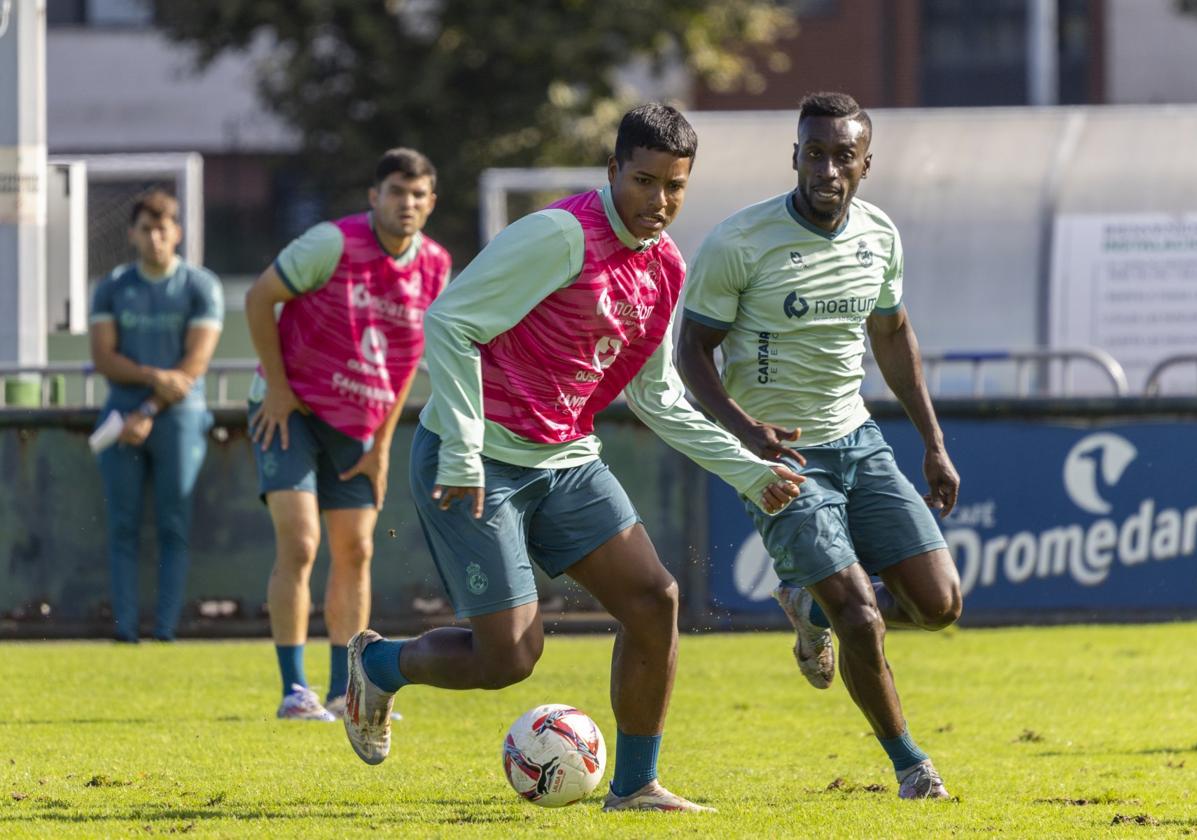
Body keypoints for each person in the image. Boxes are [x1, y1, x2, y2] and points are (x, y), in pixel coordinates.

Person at [340, 104, 802, 812]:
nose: (660, 202)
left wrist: (748, 467)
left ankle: (635, 786)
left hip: (566, 459)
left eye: (675, 187)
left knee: (655, 600)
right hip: (477, 458)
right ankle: (377, 664)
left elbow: (656, 398)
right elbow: (451, 322)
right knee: (511, 660)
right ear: (613, 170)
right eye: (644, 181)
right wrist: (463, 450)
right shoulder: (560, 235)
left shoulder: (666, 269)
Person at [676, 91, 963, 800]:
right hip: (782, 462)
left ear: (866, 162)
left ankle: (809, 608)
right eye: (814, 153)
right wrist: (749, 435)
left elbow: (892, 335)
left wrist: (933, 441)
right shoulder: (739, 242)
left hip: (859, 441)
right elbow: (690, 353)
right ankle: (911, 765)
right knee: (862, 617)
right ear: (794, 156)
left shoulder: (879, 235)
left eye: (843, 155)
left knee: (940, 605)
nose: (827, 169)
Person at [244, 148, 450, 721]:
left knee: (356, 550)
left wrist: (383, 445)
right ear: (373, 196)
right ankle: (294, 691)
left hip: (360, 427)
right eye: (395, 191)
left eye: (417, 194)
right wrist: (279, 390)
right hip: (290, 410)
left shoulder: (435, 265)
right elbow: (260, 297)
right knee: (302, 541)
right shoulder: (330, 243)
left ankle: (345, 692)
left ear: (430, 203)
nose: (405, 203)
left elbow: (408, 360)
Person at [89, 188, 224, 643]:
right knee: (122, 526)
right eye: (146, 228)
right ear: (132, 234)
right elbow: (105, 358)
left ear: (178, 233)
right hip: (119, 418)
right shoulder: (111, 286)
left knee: (173, 524)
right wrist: (150, 380)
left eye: (163, 228)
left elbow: (194, 365)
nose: (155, 237)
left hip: (178, 417)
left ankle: (165, 630)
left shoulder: (200, 286)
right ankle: (125, 631)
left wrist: (147, 406)